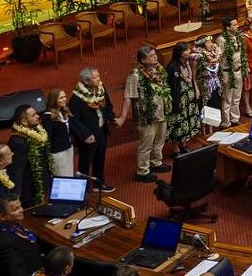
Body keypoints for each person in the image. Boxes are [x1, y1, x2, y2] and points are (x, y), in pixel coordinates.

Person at [119, 45, 170, 182]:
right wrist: (123, 117)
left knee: (160, 139)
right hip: (145, 116)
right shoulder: (135, 76)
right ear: (142, 60)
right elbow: (128, 96)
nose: (155, 57)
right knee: (146, 144)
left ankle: (156, 162)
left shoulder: (159, 70)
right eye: (151, 56)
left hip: (161, 111)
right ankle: (142, 171)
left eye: (155, 55)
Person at [68, 67, 115, 193]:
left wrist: (111, 118)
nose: (99, 79)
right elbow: (73, 120)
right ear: (86, 81)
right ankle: (81, 190)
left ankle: (98, 183)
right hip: (88, 136)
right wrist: (85, 135)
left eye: (98, 76)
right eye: (95, 78)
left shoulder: (100, 88)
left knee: (100, 158)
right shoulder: (76, 99)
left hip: (101, 130)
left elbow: (108, 105)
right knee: (85, 162)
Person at [7, 104, 50, 208]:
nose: (38, 116)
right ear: (24, 122)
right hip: (30, 190)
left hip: (40, 183)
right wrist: (15, 195)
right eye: (33, 115)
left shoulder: (36, 133)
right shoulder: (18, 142)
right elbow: (16, 170)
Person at [165, 42, 201, 153]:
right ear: (180, 53)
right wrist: (174, 102)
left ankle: (183, 144)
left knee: (187, 121)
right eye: (186, 50)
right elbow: (171, 86)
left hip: (188, 98)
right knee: (178, 124)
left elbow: (191, 78)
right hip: (178, 100)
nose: (189, 52)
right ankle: (176, 148)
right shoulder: (172, 67)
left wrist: (196, 90)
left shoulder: (186, 63)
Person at [41, 89, 76, 177]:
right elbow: (48, 137)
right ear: (54, 100)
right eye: (61, 98)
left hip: (68, 148)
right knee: (62, 176)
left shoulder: (63, 112)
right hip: (58, 153)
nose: (64, 99)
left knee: (69, 174)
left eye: (65, 97)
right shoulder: (47, 116)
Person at [218, 18, 246, 126]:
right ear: (227, 27)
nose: (237, 26)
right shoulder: (222, 40)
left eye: (237, 24)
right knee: (227, 99)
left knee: (236, 98)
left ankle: (234, 119)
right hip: (227, 72)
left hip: (238, 71)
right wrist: (222, 75)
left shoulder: (238, 37)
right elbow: (219, 58)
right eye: (234, 25)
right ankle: (226, 122)